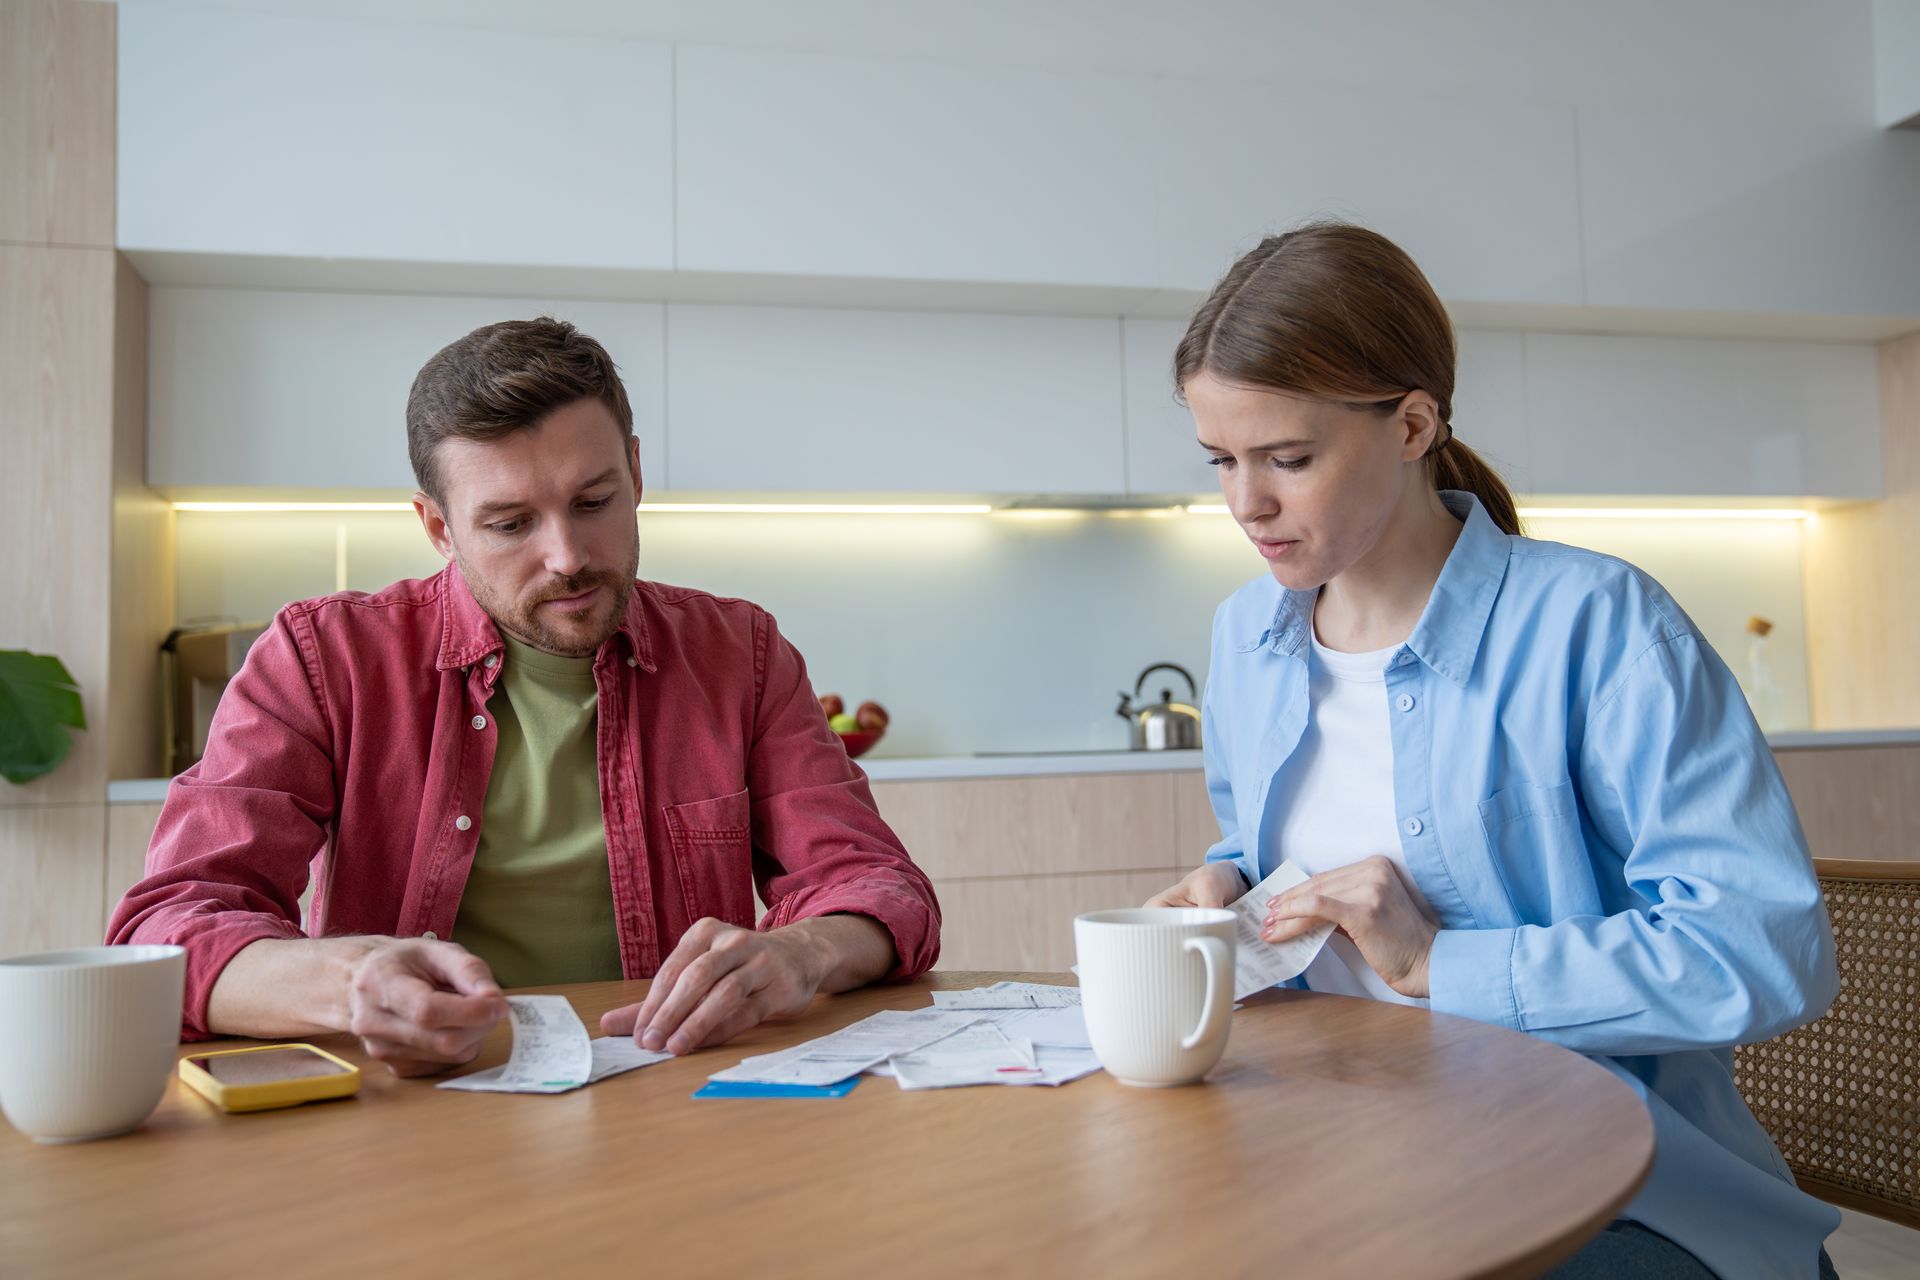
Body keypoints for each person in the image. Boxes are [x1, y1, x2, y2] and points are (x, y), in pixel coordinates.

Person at [1143, 223, 1840, 1280]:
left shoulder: (1601, 625)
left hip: (1604, 1187)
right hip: (1344, 1152)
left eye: (1288, 458)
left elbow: (1764, 949)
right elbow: (1285, 842)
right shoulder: (1249, 636)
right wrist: (1232, 886)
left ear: (1413, 422)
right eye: (1223, 461)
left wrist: (1438, 962)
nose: (1248, 503)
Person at [109, 318, 939, 1075]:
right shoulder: (323, 660)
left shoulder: (741, 655)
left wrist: (802, 953)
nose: (569, 555)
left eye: (594, 502)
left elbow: (876, 885)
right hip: (418, 1114)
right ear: (438, 527)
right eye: (510, 524)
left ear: (637, 473)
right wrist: (348, 982)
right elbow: (170, 925)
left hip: (676, 1094)